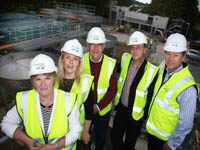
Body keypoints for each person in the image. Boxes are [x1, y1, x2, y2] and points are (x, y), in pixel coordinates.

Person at [1, 54, 81, 150]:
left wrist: (55, 146)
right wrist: (27, 141)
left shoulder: (68, 100)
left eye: (47, 78)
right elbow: (6, 123)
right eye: (38, 79)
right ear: (33, 81)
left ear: (54, 78)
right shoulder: (24, 100)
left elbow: (76, 131)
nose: (43, 84)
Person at [146, 33, 199, 150]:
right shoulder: (162, 69)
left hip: (165, 140)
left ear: (183, 56)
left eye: (175, 55)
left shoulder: (188, 88)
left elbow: (185, 124)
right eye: (168, 54)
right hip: (152, 132)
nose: (170, 59)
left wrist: (172, 143)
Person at [111, 31, 159, 150]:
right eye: (132, 47)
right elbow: (112, 68)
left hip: (136, 116)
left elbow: (150, 98)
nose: (134, 51)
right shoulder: (125, 59)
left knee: (130, 143)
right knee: (114, 137)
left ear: (145, 49)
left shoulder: (152, 71)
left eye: (138, 48)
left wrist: (145, 117)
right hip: (121, 109)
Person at [82, 27, 118, 150]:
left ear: (103, 46)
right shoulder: (80, 61)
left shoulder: (110, 63)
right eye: (92, 44)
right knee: (84, 137)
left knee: (100, 138)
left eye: (99, 45)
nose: (96, 48)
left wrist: (98, 106)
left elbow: (113, 90)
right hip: (84, 110)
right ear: (87, 45)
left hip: (102, 111)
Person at [56, 39, 94, 149]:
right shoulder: (53, 79)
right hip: (56, 132)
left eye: (75, 59)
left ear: (79, 63)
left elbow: (88, 112)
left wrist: (86, 132)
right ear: (62, 59)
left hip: (75, 133)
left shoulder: (86, 83)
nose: (71, 63)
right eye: (68, 57)